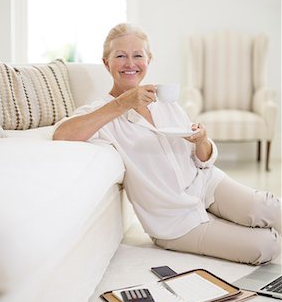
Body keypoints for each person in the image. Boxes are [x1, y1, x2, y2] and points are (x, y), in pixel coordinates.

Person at [53, 23, 281, 265]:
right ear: (106, 62)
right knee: (265, 245)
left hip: (206, 185)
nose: (130, 63)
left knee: (271, 208)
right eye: (120, 56)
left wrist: (202, 140)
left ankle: (222, 218)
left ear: (148, 60)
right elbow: (63, 134)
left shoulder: (165, 100)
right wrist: (122, 103)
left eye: (138, 55)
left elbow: (202, 159)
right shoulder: (102, 113)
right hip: (174, 221)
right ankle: (223, 224)